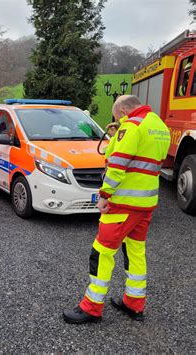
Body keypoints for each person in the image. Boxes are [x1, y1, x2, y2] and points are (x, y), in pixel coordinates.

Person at [63, 95, 171, 324]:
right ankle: (134, 303)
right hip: (146, 202)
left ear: (123, 111)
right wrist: (115, 137)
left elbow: (118, 163)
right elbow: (148, 160)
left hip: (123, 203)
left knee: (102, 253)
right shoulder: (159, 125)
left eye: (117, 116)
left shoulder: (131, 126)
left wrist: (104, 195)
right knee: (135, 253)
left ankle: (91, 307)